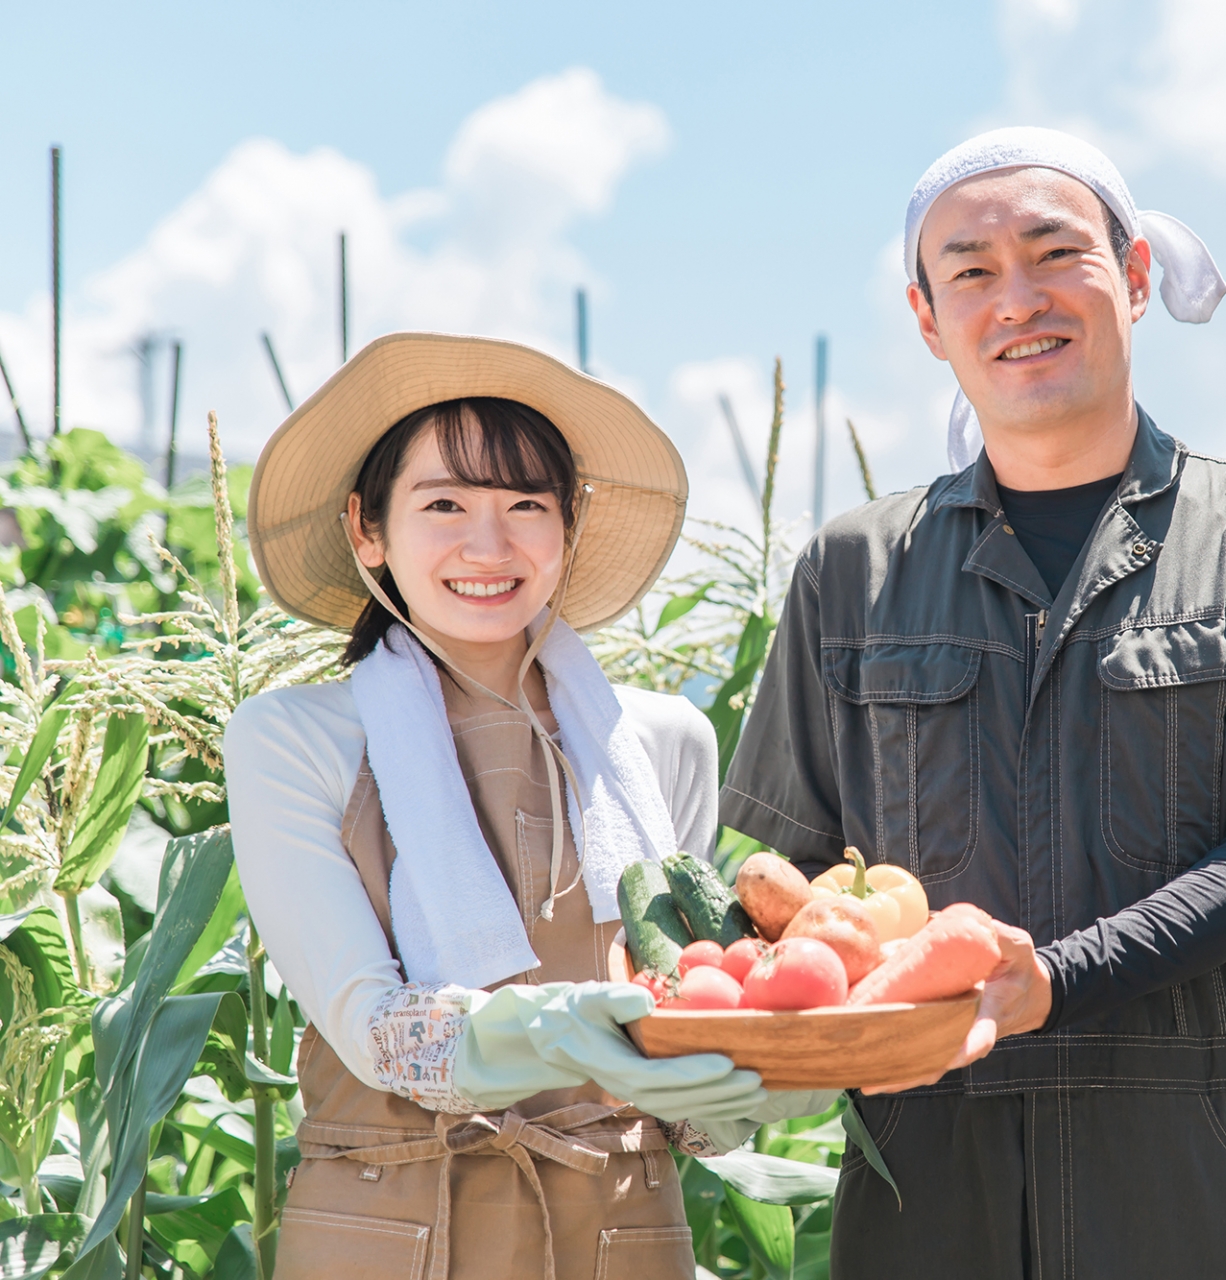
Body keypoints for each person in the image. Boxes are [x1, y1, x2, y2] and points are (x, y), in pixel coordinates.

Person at [720, 128, 1226, 1278]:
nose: (1018, 298)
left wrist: (1049, 980)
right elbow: (783, 893)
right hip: (919, 1181)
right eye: (973, 271)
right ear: (926, 315)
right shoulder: (850, 571)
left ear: (1135, 276)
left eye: (1056, 254)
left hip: (1183, 1178)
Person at [226, 332, 832, 1280]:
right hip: (389, 1230)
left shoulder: (664, 741)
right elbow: (378, 1032)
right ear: (366, 529)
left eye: (525, 506)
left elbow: (682, 1015)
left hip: (622, 1232)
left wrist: (753, 1079)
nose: (488, 543)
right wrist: (561, 1030)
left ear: (569, 526)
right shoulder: (292, 739)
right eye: (444, 504)